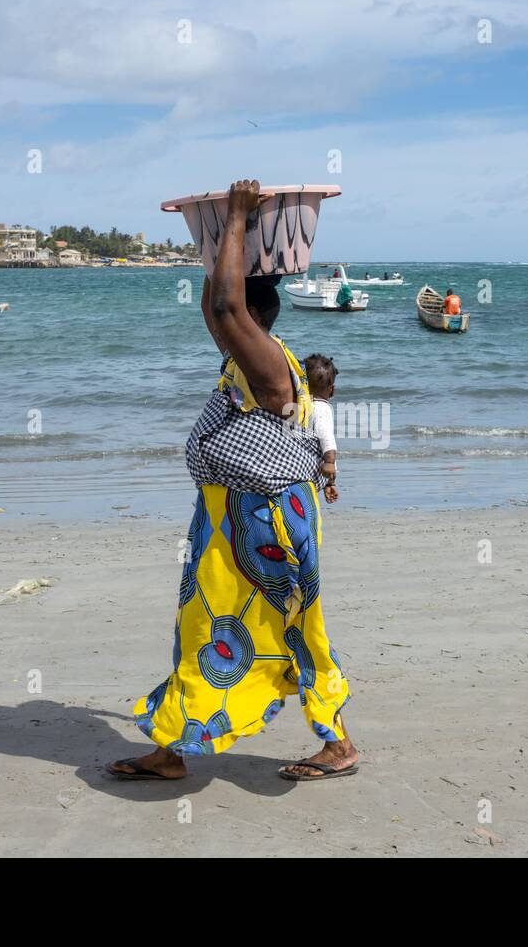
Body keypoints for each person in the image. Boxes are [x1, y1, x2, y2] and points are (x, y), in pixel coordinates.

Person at [109, 179, 359, 784]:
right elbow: (216, 307)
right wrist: (221, 238)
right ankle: (172, 746)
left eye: (233, 313)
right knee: (201, 626)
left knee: (295, 626)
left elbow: (224, 307)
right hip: (228, 516)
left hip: (268, 517)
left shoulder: (271, 363)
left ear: (250, 317)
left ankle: (339, 743)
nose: (221, 322)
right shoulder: (241, 355)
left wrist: (241, 218)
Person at [303, 353, 339, 504]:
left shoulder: (295, 406)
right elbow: (326, 439)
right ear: (332, 390)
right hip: (312, 473)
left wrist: (329, 483)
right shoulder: (322, 408)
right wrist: (330, 463)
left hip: (294, 469)